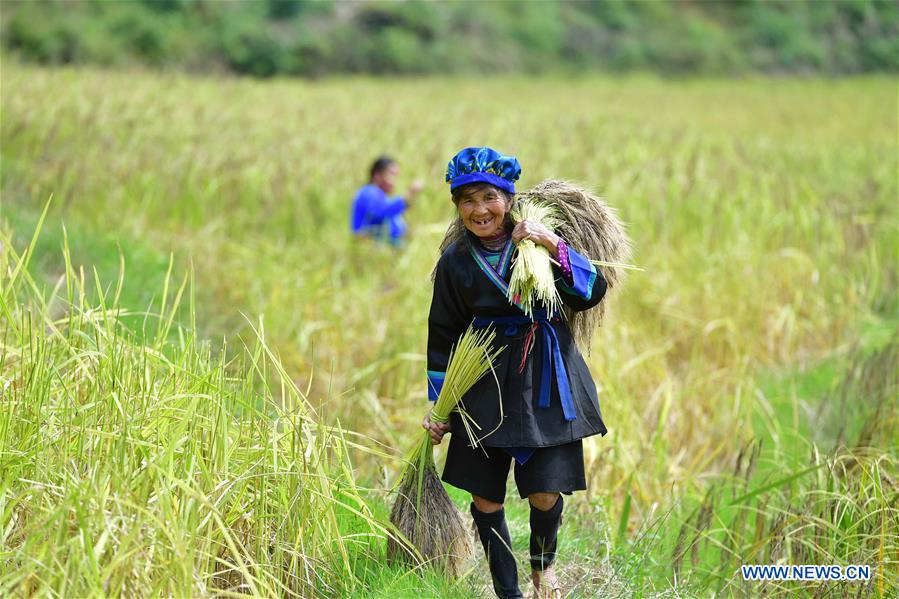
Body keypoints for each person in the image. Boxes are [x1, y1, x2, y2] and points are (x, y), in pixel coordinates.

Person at [422, 147, 608, 599]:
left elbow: (592, 291)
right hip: (481, 378)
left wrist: (551, 244)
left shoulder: (537, 244)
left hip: (545, 373)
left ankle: (543, 568)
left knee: (545, 492)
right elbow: (443, 331)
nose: (479, 210)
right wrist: (439, 404)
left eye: (489, 197)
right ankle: (509, 592)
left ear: (508, 198)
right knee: (485, 496)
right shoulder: (455, 261)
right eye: (467, 201)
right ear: (456, 207)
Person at [350, 155, 423, 246]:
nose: (395, 181)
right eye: (391, 175)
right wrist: (409, 195)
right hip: (370, 248)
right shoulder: (368, 192)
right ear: (377, 175)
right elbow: (383, 210)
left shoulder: (382, 196)